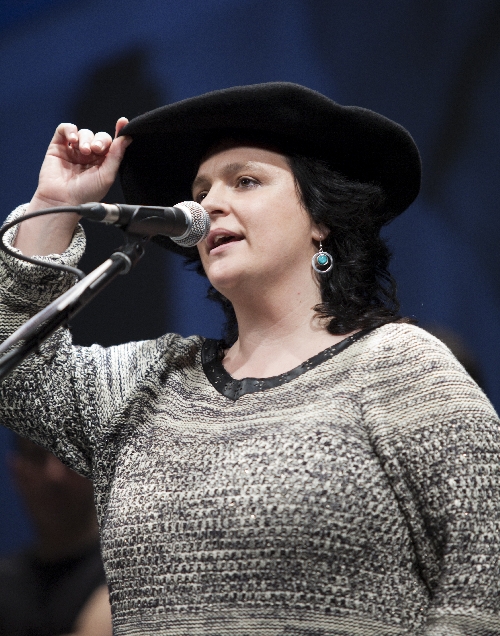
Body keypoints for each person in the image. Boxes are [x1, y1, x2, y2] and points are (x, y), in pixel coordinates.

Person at [0, 82, 498, 635]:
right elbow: (18, 375)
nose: (208, 204)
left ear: (321, 216)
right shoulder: (149, 384)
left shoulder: (400, 367)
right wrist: (51, 206)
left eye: (245, 181)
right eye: (199, 191)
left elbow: (484, 582)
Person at [0, 436, 112, 636]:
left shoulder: (129, 570)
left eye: (69, 457)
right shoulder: (5, 583)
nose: (55, 474)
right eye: (37, 455)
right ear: (18, 472)